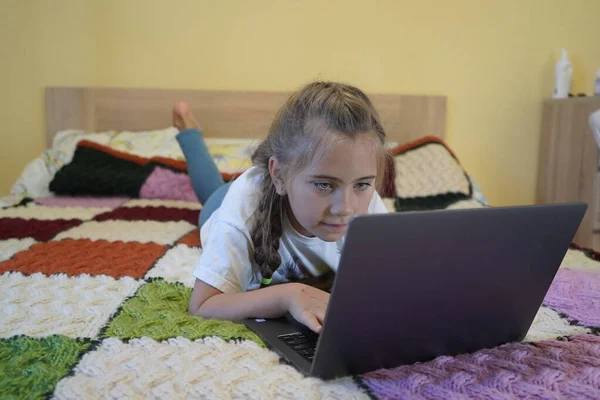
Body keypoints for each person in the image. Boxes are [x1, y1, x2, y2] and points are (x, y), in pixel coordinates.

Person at [174, 81, 389, 333]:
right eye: (323, 184)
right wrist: (287, 296)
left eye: (362, 185)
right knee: (211, 192)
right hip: (222, 204)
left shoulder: (365, 198)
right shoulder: (243, 209)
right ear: (279, 175)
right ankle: (187, 127)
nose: (345, 207)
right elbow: (202, 305)